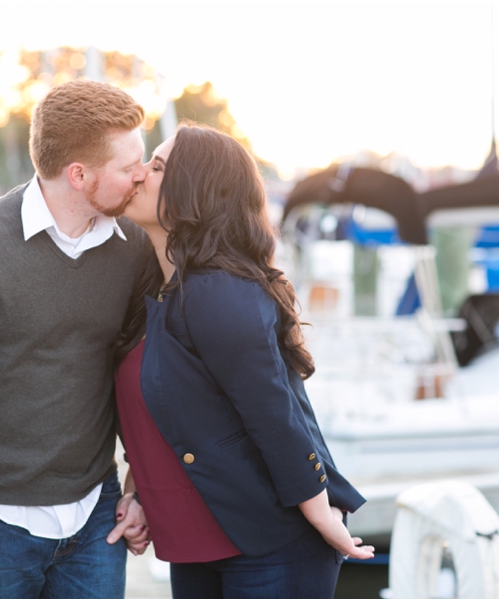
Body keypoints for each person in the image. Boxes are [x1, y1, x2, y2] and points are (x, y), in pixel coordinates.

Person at [0, 79, 152, 599]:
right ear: (79, 175)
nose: (143, 175)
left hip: (96, 516)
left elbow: (141, 376)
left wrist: (139, 486)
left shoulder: (133, 250)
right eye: (130, 167)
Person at [113, 122, 373, 598]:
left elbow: (273, 412)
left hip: (273, 546)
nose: (138, 175)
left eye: (157, 167)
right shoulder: (165, 292)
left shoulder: (216, 292)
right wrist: (137, 494)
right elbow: (174, 414)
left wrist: (322, 516)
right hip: (199, 548)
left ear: (195, 192)